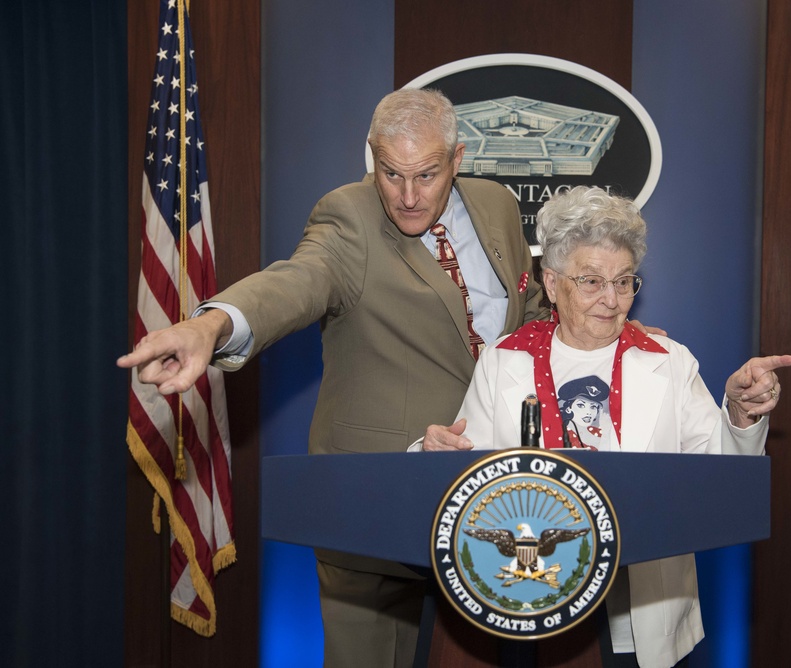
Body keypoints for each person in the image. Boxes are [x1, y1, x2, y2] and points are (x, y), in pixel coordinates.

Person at [118, 88, 548, 667]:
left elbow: (535, 310)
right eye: (391, 173)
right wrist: (214, 325)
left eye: (426, 174)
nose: (409, 195)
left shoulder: (495, 204)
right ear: (372, 156)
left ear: (458, 158)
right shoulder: (348, 216)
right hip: (374, 493)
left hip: (486, 492)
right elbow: (298, 280)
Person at [418, 186, 791, 668]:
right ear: (551, 283)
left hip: (636, 618)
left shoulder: (668, 360)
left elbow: (720, 482)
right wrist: (432, 453)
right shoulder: (504, 361)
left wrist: (742, 415)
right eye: (591, 281)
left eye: (624, 282)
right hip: (536, 600)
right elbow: (468, 480)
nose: (611, 300)